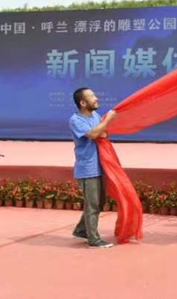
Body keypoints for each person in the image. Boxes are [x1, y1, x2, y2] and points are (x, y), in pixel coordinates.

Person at [69, 87, 117, 249]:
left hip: (99, 165)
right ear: (83, 103)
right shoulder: (76, 120)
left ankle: (81, 230)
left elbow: (102, 133)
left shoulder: (96, 116)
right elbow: (94, 134)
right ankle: (93, 239)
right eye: (92, 96)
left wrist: (101, 129)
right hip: (87, 169)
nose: (96, 98)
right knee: (92, 205)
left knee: (100, 202)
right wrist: (107, 120)